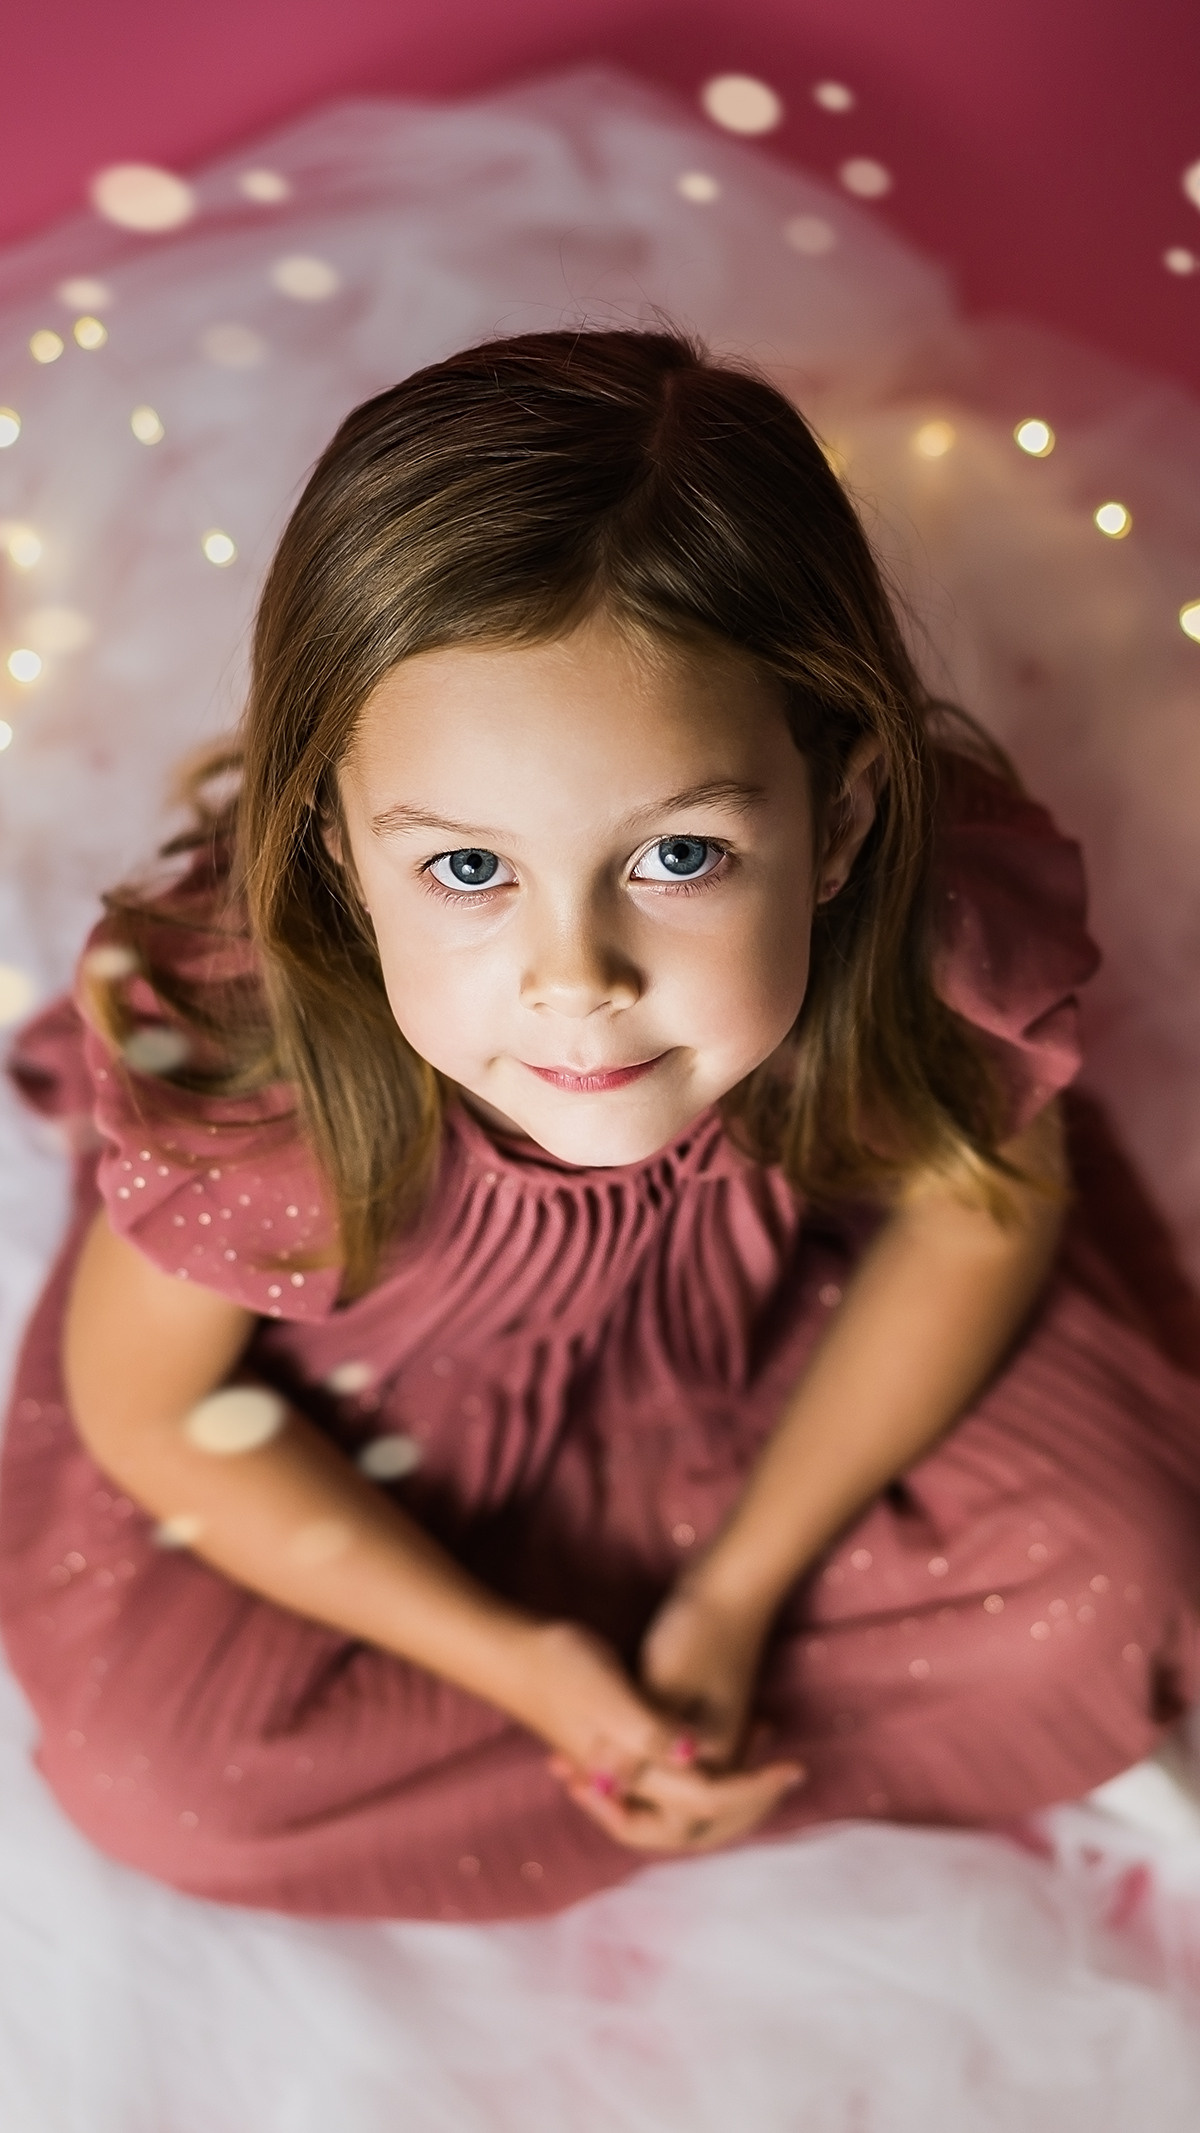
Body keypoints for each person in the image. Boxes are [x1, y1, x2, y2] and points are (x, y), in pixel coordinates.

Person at [2, 327, 1198, 1925]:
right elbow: (154, 1421)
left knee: (1131, 1582)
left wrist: (734, 1593)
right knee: (163, 1778)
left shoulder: (922, 931)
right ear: (343, 852)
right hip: (389, 1462)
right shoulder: (262, 1061)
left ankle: (721, 1710)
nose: (577, 981)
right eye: (470, 870)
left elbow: (980, 1211)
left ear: (834, 819)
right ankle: (717, 1738)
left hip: (787, 1369)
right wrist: (527, 1667)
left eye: (681, 857)